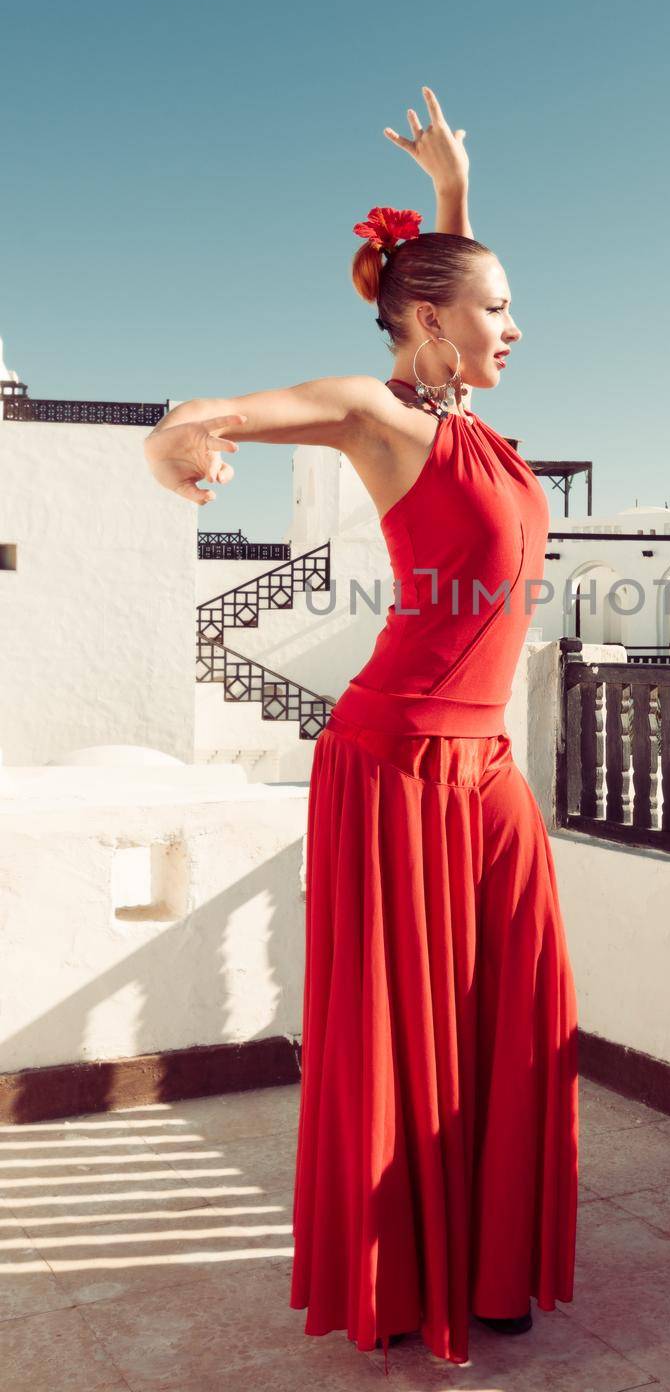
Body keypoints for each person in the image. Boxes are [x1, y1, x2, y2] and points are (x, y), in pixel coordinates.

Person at [142, 86, 579, 1374]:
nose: (519, 326)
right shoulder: (384, 415)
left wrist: (452, 198)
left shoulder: (468, 421)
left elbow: (438, 290)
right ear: (435, 325)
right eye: (498, 311)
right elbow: (229, 404)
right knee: (405, 1024)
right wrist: (187, 439)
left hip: (483, 762)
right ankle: (409, 1280)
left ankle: (490, 1262)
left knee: (515, 1009)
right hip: (391, 763)